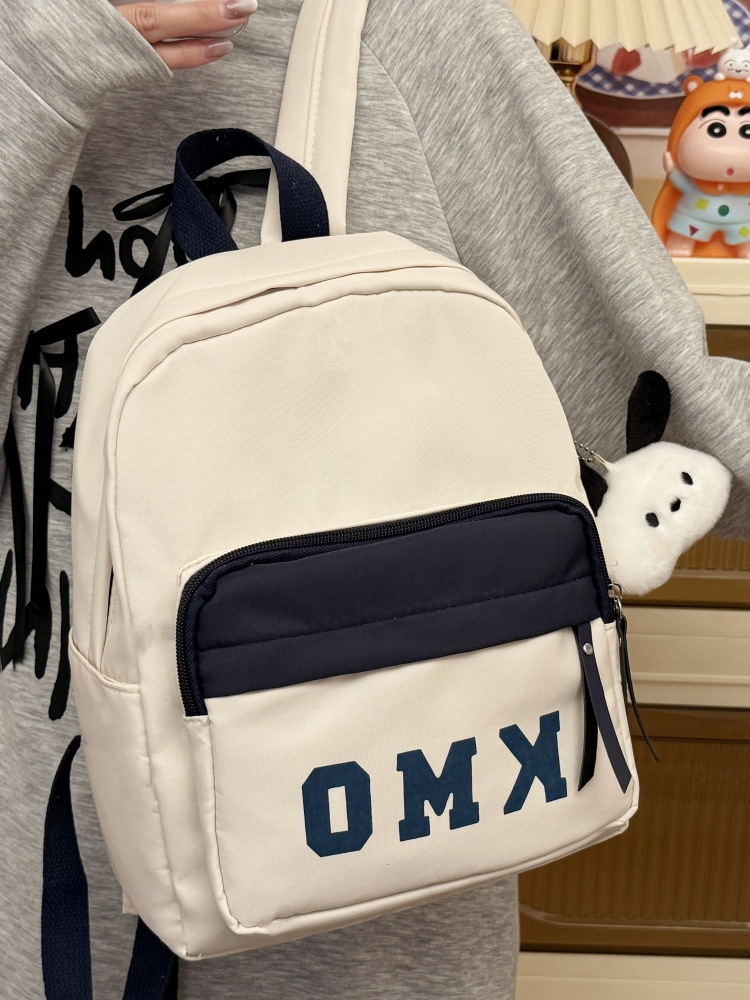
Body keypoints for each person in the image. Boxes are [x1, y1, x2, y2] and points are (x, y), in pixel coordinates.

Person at [0, 2, 747, 998]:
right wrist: (42, 61)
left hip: (370, 914)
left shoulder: (412, 34)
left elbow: (660, 411)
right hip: (36, 880)